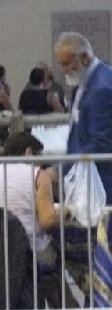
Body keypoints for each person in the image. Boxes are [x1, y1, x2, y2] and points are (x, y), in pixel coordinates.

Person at [0, 131, 85, 310]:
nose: (41, 164)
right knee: (58, 261)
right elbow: (46, 220)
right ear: (29, 152)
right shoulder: (38, 176)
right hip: (29, 248)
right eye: (39, 157)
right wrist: (65, 211)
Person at [54, 31, 112, 203]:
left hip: (101, 178)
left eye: (66, 64)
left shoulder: (101, 88)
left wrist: (61, 169)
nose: (63, 70)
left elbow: (100, 143)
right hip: (87, 175)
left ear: (85, 57)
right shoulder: (85, 82)